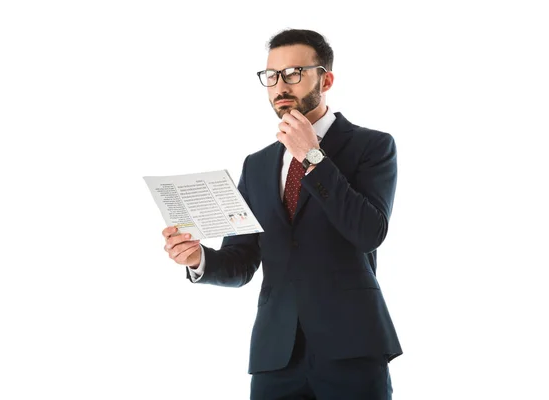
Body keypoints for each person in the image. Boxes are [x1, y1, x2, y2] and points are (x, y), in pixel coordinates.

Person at [162, 29, 402, 399]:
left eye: (293, 74)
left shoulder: (372, 146)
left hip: (352, 346)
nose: (280, 86)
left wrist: (314, 157)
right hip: (276, 356)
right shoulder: (257, 165)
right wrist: (198, 259)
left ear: (326, 79)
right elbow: (242, 261)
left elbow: (368, 232)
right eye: (271, 76)